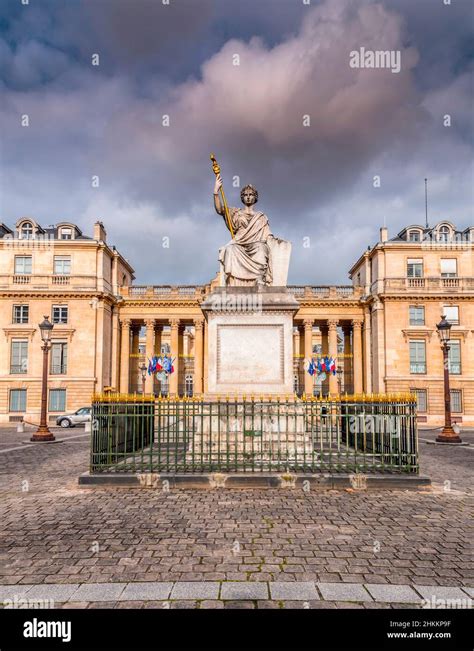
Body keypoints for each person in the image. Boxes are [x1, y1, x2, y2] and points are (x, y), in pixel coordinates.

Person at [213, 174, 273, 286]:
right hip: (239, 244)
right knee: (230, 249)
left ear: (255, 197)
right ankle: (233, 281)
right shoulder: (235, 212)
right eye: (246, 195)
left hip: (256, 244)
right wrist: (216, 192)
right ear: (242, 197)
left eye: (251, 195)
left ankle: (259, 278)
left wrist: (276, 243)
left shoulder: (261, 217)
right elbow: (220, 209)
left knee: (261, 248)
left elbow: (268, 236)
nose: (248, 197)